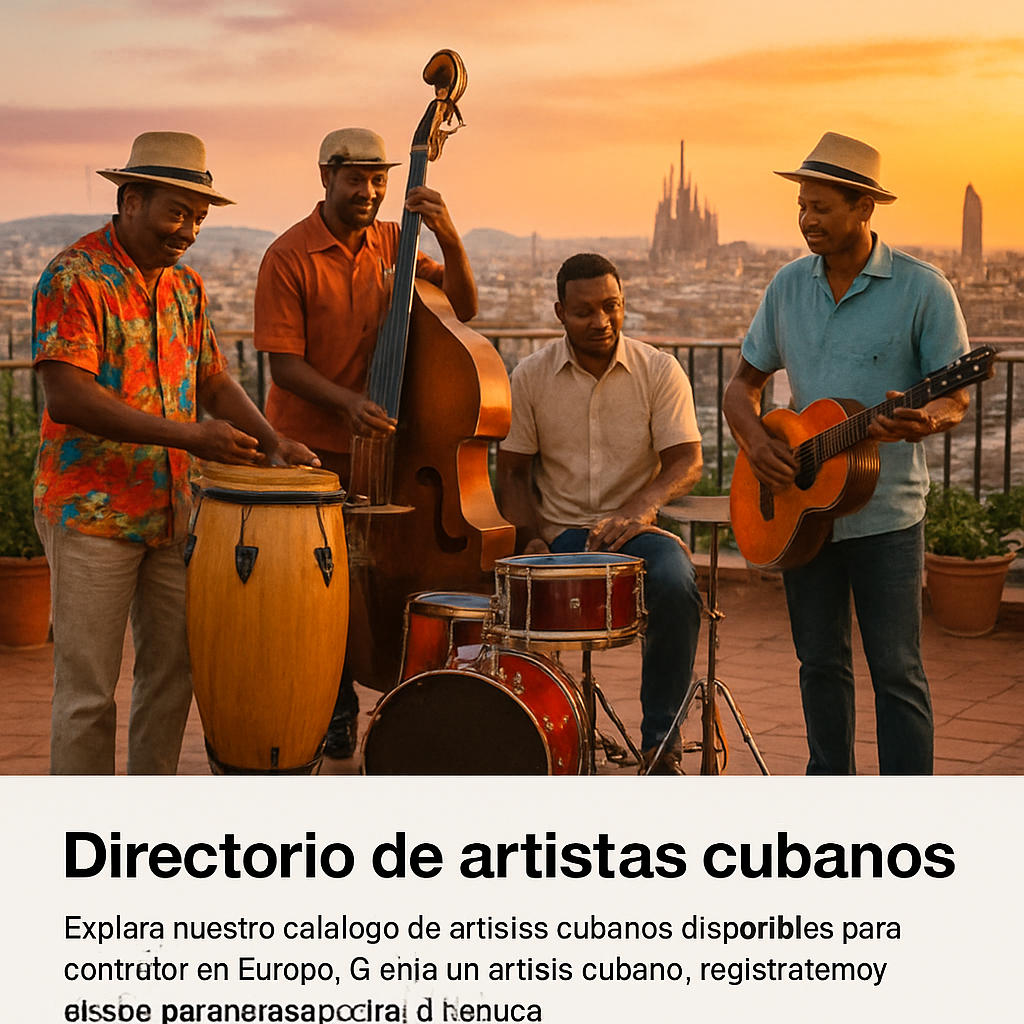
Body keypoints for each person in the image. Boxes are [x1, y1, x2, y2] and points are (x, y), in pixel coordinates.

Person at [33, 131, 318, 775]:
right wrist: (192, 436)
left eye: (199, 218)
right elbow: (68, 397)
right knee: (87, 694)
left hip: (173, 514)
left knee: (172, 676)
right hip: (91, 514)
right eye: (178, 213)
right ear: (131, 200)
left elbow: (214, 380)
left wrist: (274, 442)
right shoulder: (74, 276)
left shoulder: (185, 287)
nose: (188, 231)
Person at [722, 131, 970, 775]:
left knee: (897, 670)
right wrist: (758, 444)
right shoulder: (786, 287)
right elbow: (741, 387)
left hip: (887, 515)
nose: (807, 219)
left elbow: (956, 396)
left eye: (821, 207)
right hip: (805, 513)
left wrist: (925, 419)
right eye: (802, 206)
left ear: (865, 208)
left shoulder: (923, 289)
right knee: (819, 664)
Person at [253, 127, 479, 757]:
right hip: (312, 449)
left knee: (376, 577)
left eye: (379, 180)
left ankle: (404, 686)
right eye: (356, 179)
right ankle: (334, 702)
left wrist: (448, 234)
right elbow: (284, 366)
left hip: (389, 451)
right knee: (321, 583)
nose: (371, 191)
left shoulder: (395, 241)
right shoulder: (288, 256)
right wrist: (349, 402)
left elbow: (463, 307)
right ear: (326, 176)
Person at [497, 253, 704, 774]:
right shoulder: (531, 376)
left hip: (638, 534)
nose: (601, 321)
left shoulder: (659, 370)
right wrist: (530, 537)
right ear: (559, 313)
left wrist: (641, 507)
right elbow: (513, 473)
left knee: (677, 585)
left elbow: (687, 460)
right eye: (584, 311)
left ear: (623, 302)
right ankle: (538, 735)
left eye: (611, 306)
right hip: (563, 536)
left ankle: (662, 740)